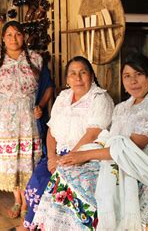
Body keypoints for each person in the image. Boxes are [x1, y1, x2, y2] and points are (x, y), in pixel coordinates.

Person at [33, 53, 148, 230]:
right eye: (127, 76)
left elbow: (129, 149)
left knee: (80, 183)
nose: (133, 81)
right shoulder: (123, 107)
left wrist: (83, 155)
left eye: (139, 74)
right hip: (123, 165)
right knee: (66, 174)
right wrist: (81, 157)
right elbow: (110, 141)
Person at [20, 56, 114, 230]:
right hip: (58, 156)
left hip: (86, 157)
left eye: (83, 73)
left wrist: (65, 159)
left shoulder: (100, 98)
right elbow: (51, 130)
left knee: (52, 187)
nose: (78, 78)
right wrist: (51, 157)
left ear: (91, 76)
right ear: (67, 79)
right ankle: (29, 226)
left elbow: (93, 134)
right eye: (72, 74)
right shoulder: (63, 97)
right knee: (36, 181)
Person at [0, 20, 49, 218]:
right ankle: (17, 200)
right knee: (11, 160)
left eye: (17, 34)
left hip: (28, 116)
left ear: (24, 37)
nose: (13, 38)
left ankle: (27, 201)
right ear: (3, 39)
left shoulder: (36, 59)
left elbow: (48, 86)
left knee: (28, 159)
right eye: (9, 35)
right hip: (5, 118)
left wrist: (41, 106)